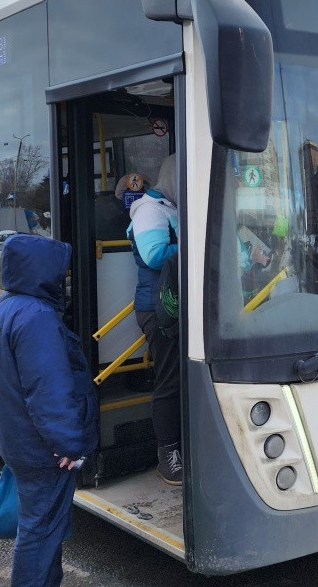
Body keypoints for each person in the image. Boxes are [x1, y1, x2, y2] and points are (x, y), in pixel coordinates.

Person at [0, 234, 99, 586]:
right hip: (43, 450)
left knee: (44, 532)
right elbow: (48, 390)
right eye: (59, 274)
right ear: (42, 273)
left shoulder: (1, 310)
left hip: (17, 440)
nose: (63, 281)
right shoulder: (37, 318)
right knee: (39, 534)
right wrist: (68, 444)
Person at [126, 153, 182, 485]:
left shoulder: (171, 206)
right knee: (169, 379)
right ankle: (167, 455)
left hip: (175, 305)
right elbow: (154, 254)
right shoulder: (150, 209)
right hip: (157, 308)